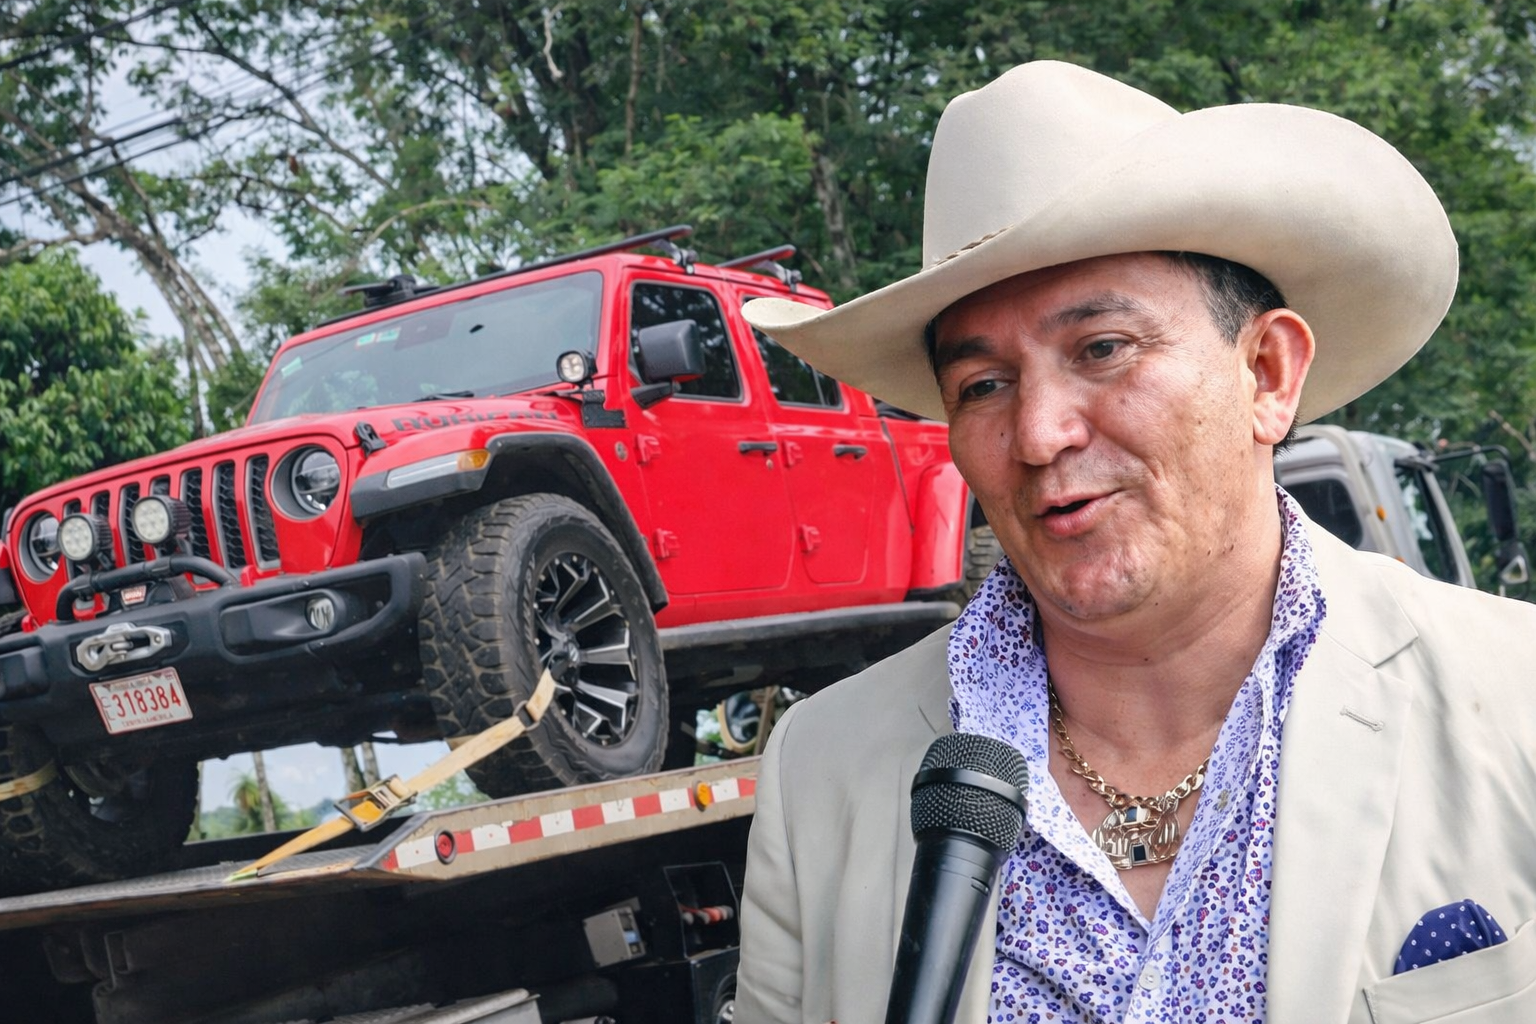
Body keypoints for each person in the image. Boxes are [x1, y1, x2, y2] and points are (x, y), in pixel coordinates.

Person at [734, 60, 1536, 1024]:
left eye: (1103, 349)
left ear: (1267, 373)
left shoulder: (1512, 697)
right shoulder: (822, 771)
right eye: (983, 386)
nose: (1039, 435)